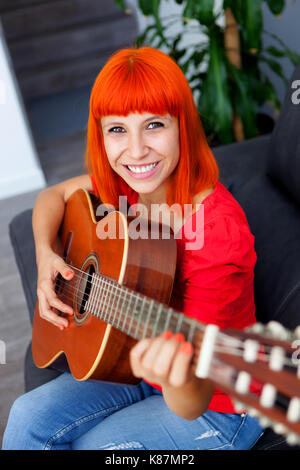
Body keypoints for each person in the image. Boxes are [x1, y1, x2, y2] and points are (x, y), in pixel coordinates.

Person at [2, 47, 263, 450]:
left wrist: (173, 371)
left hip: (221, 404)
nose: (137, 150)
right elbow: (52, 196)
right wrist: (45, 256)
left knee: (95, 446)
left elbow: (194, 399)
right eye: (117, 129)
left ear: (183, 127)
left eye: (154, 125)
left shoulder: (217, 234)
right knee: (26, 416)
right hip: (134, 362)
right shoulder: (129, 184)